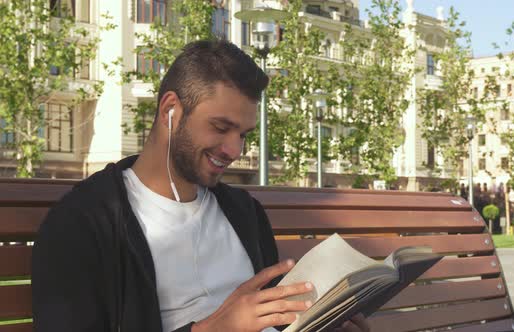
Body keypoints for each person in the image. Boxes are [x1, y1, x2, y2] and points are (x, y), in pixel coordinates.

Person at [31, 40, 370, 332]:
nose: (235, 151)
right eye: (221, 127)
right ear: (170, 111)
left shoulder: (244, 214)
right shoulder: (85, 223)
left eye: (243, 135)